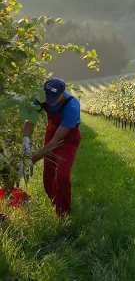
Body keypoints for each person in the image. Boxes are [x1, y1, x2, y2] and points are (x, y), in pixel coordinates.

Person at [22, 78, 81, 218]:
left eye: (53, 98)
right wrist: (26, 142)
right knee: (48, 172)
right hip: (52, 131)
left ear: (62, 94)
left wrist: (33, 159)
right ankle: (55, 201)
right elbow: (30, 121)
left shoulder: (72, 106)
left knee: (62, 174)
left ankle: (64, 212)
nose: (49, 101)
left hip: (67, 139)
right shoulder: (42, 98)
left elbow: (57, 140)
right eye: (47, 97)